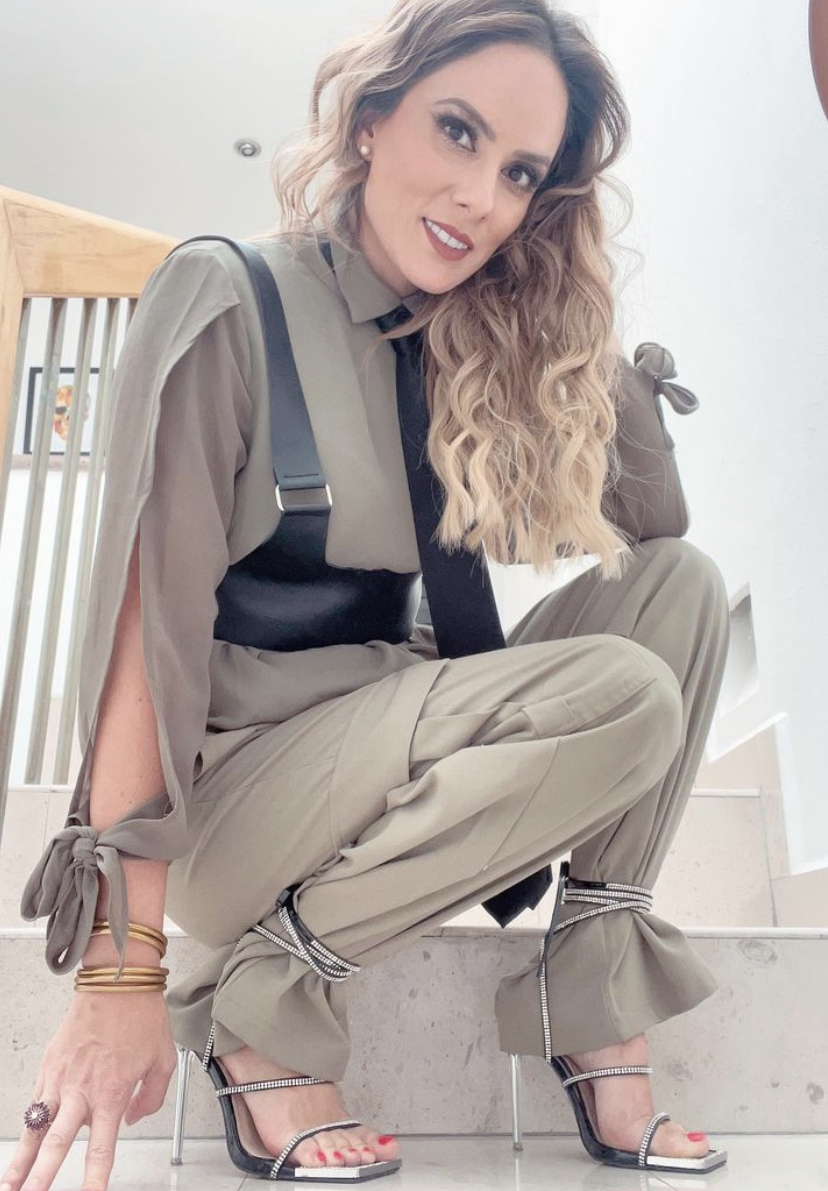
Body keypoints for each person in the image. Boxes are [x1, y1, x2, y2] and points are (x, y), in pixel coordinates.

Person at [5, 0, 731, 1187]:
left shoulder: (470, 336)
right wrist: (120, 968)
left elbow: (659, 527)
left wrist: (570, 312)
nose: (480, 196)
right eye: (458, 132)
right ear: (371, 118)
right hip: (245, 799)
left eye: (520, 174)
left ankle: (594, 991)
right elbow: (145, 646)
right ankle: (259, 1005)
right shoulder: (229, 295)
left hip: (388, 743)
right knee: (623, 694)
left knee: (679, 596)